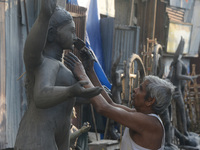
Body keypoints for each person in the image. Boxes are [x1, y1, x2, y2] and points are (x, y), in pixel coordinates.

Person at [14, 0, 101, 150]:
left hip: (55, 138)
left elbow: (69, 97)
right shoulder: (47, 63)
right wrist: (71, 90)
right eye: (71, 31)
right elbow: (41, 96)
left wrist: (88, 91)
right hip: (38, 139)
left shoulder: (60, 66)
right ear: (52, 34)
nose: (75, 36)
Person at [65, 51, 175, 150]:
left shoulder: (149, 123)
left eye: (140, 89)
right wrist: (90, 70)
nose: (135, 90)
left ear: (150, 100)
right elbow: (110, 104)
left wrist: (82, 75)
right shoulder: (140, 115)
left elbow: (103, 107)